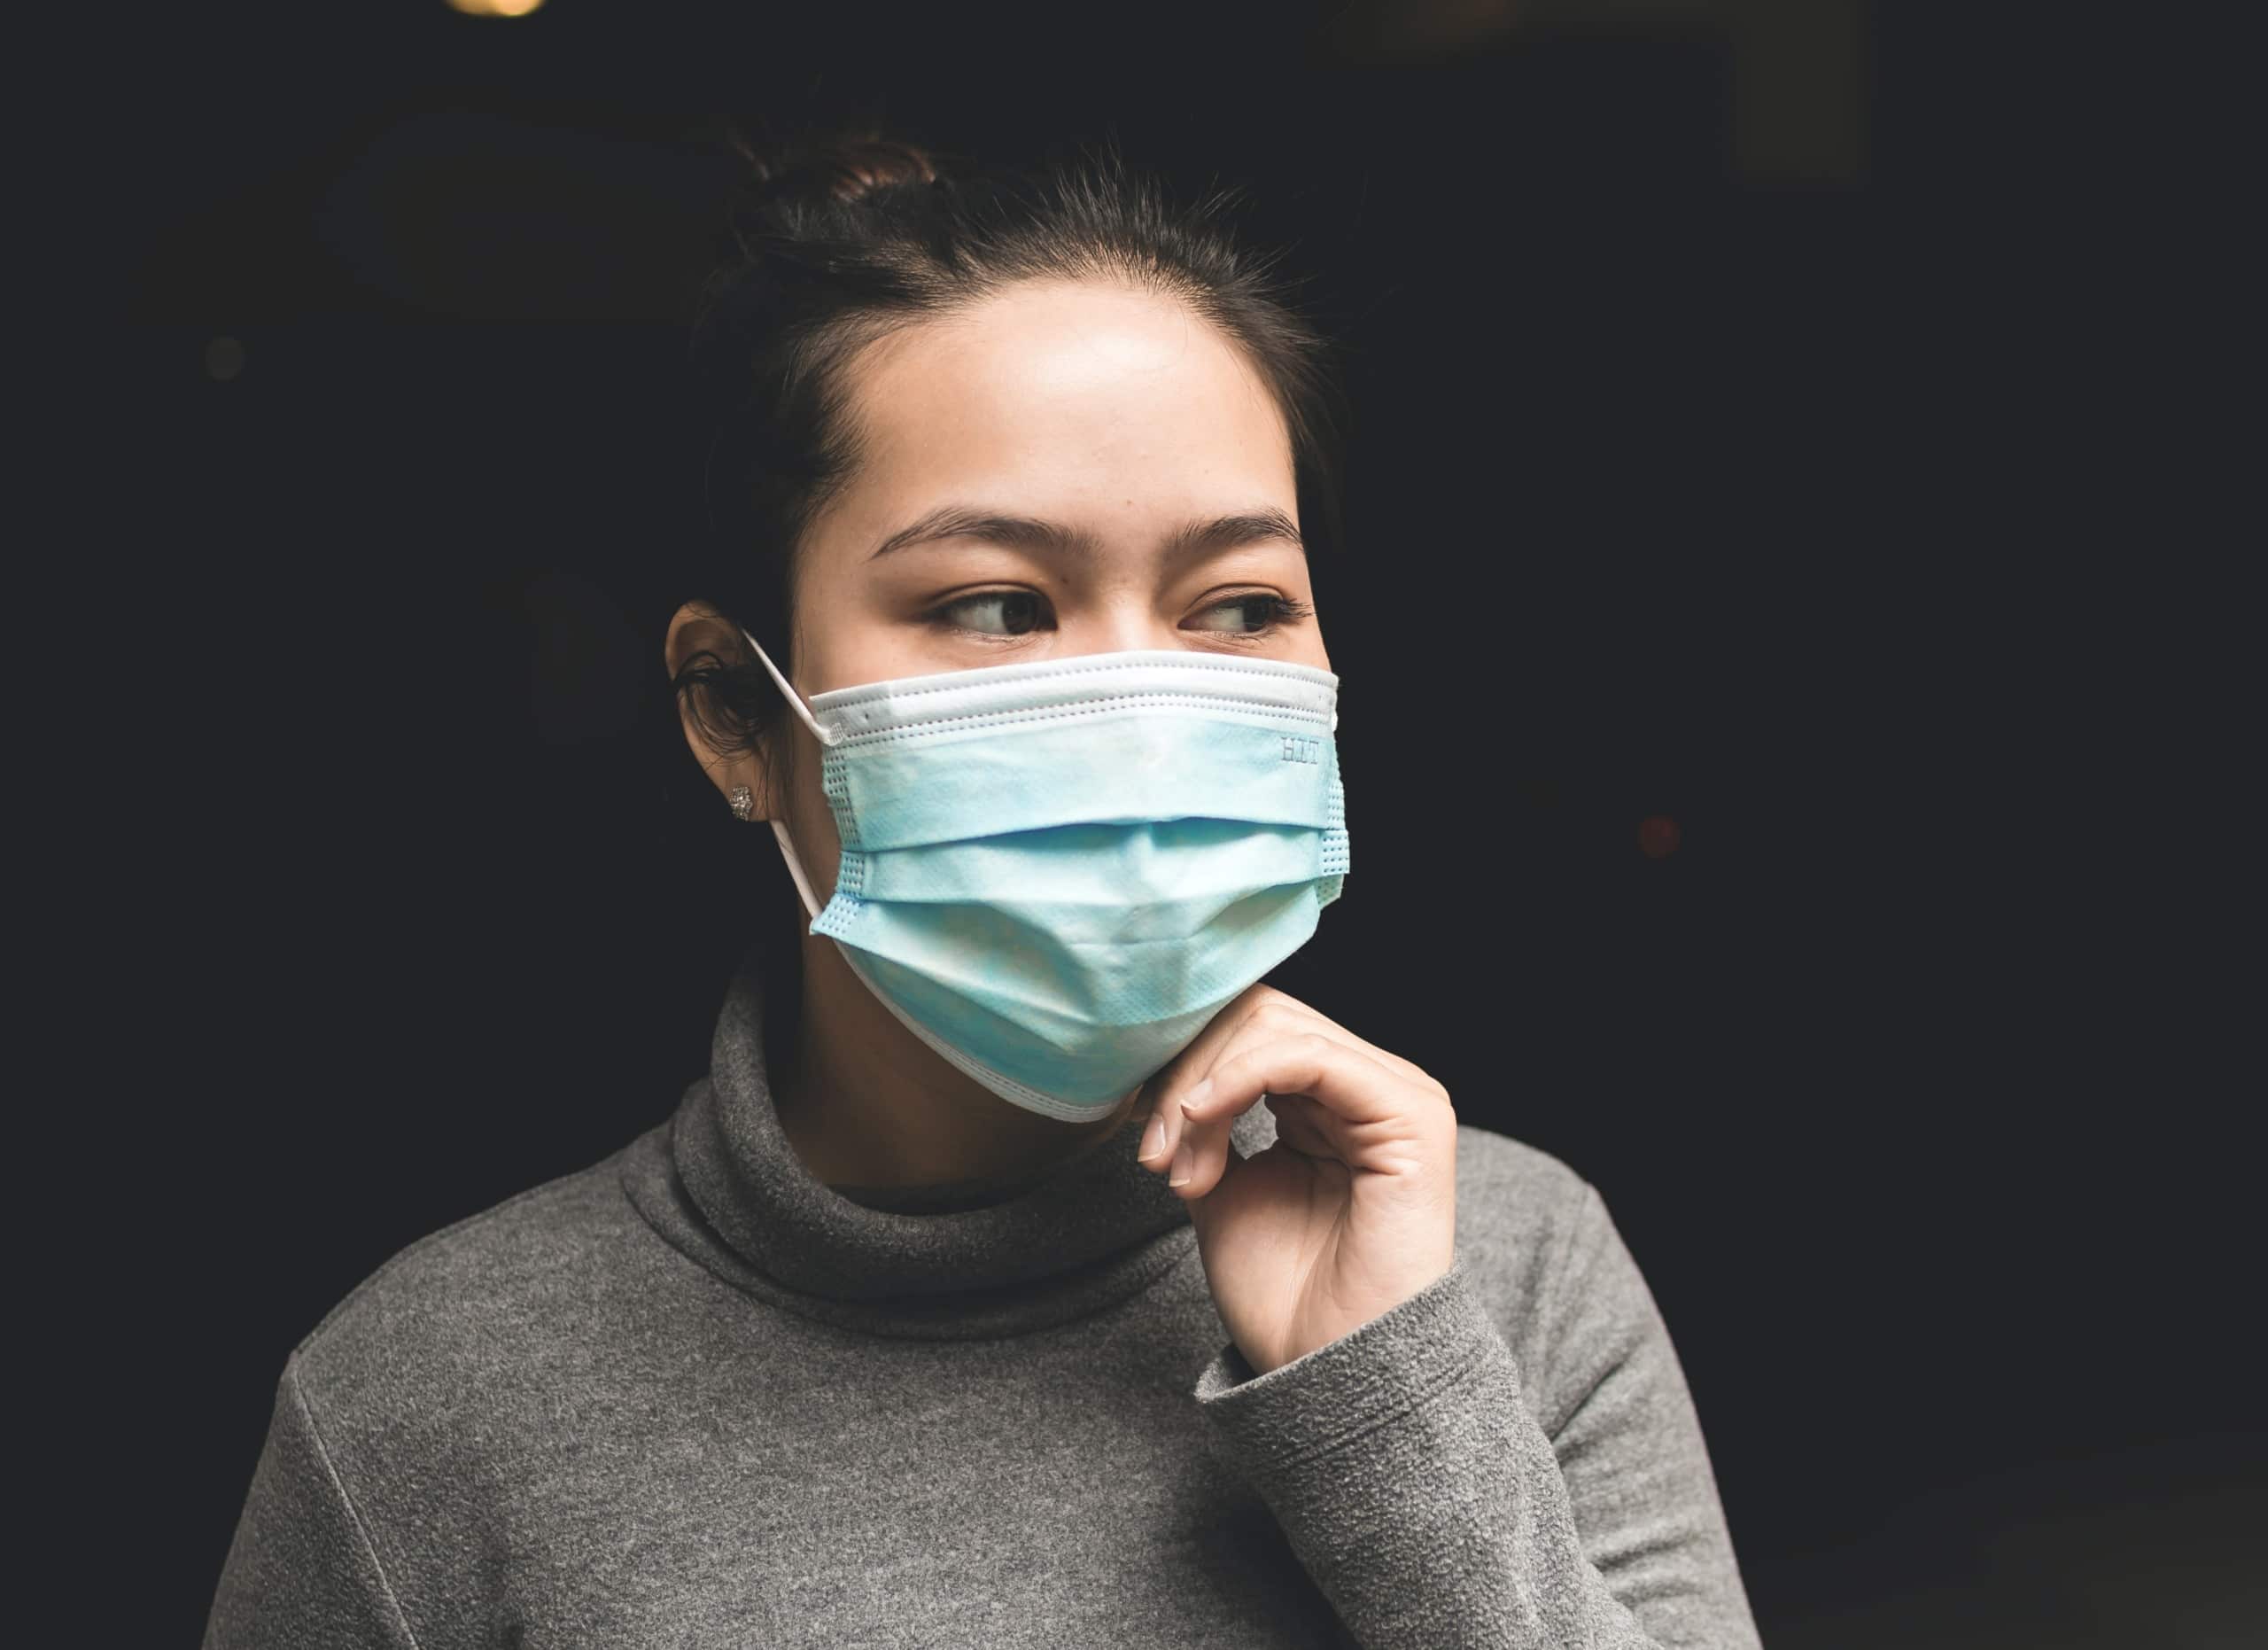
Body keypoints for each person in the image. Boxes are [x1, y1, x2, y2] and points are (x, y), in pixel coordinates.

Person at [204, 129, 1764, 1649]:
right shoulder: (423, 1403)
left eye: (1237, 602)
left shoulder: (1507, 1256)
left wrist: (1387, 1398)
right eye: (1000, 604)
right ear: (731, 709)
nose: (1142, 707)